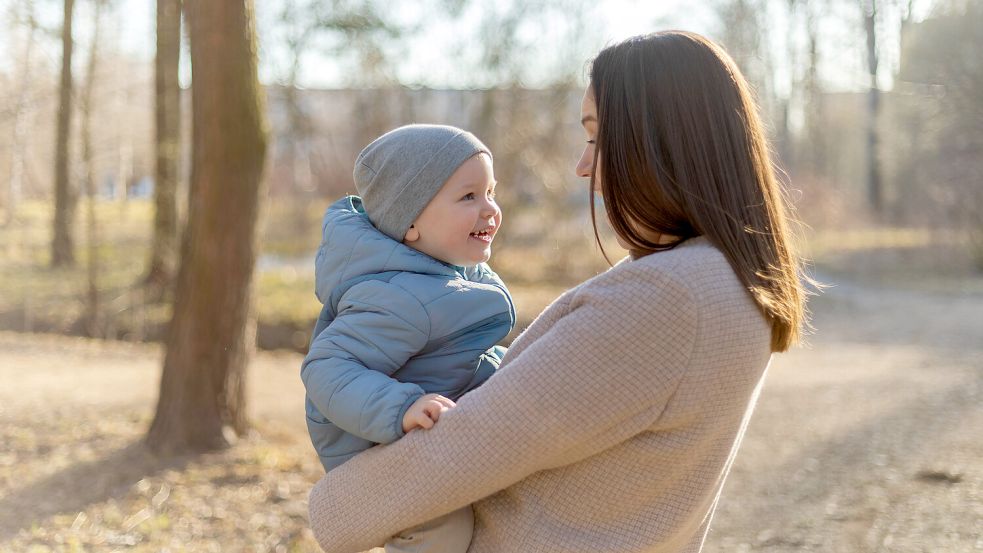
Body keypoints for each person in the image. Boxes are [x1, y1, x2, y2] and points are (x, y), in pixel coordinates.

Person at [307, 31, 810, 553]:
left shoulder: (667, 299)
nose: (583, 165)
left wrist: (336, 507)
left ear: (659, 143)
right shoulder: (726, 280)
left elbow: (478, 441)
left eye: (597, 137)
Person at [301, 124, 515, 553]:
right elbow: (326, 366)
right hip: (374, 452)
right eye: (469, 196)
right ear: (410, 223)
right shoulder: (398, 295)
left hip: (418, 441)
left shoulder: (444, 274)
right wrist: (400, 407)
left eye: (491, 192)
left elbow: (458, 354)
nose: (490, 209)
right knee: (443, 531)